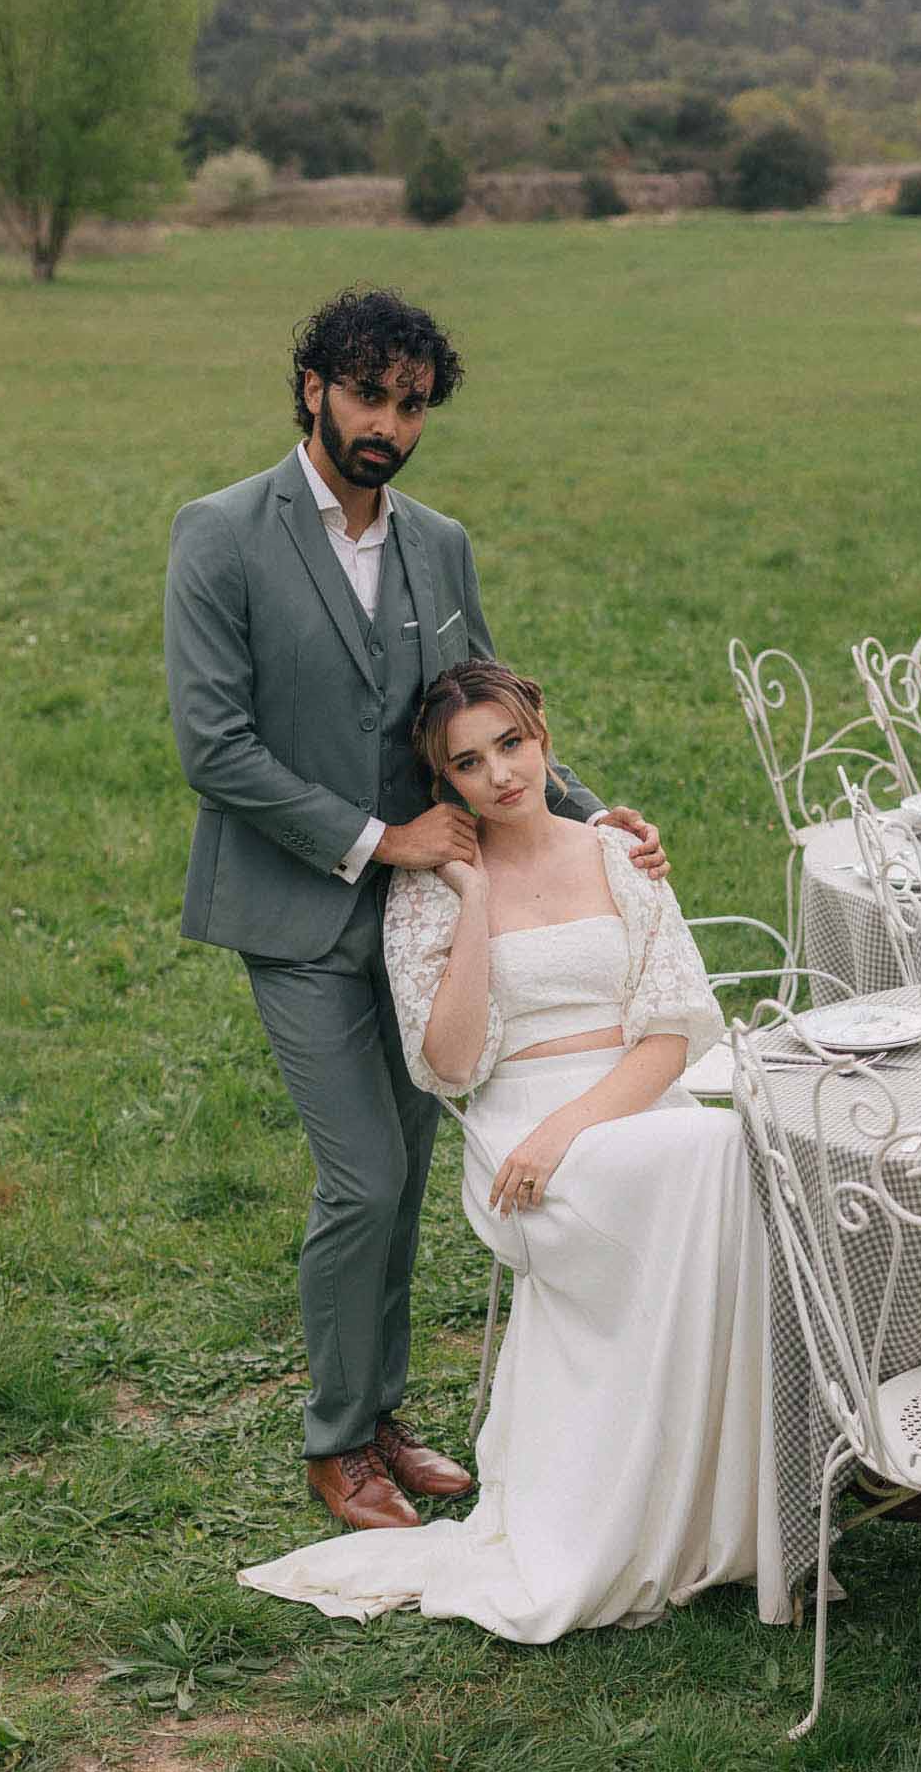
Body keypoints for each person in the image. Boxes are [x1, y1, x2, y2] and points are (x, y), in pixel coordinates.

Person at [164, 287, 667, 1532]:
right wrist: (381, 838)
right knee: (364, 1177)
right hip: (295, 909)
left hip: (424, 923)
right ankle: (336, 1442)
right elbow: (214, 746)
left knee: (403, 1174)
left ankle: (380, 1412)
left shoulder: (439, 542)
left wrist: (590, 815)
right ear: (312, 389)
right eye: (367, 395)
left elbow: (475, 708)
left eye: (411, 403)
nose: (387, 423)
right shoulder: (219, 533)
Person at [239, 661, 788, 1639]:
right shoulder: (428, 891)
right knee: (710, 1151)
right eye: (468, 762)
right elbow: (449, 1063)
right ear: (444, 780)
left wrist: (568, 1128)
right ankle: (664, 1490)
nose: (499, 774)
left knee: (719, 1146)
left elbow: (672, 1031)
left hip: (624, 1103)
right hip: (515, 1129)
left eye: (511, 745)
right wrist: (474, 899)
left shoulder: (616, 852)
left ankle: (713, 1492)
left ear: (542, 739)